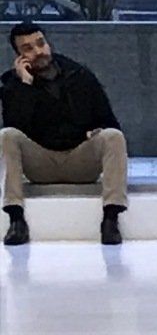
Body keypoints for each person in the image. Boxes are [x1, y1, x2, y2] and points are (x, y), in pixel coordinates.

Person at [2, 22, 129, 246]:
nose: (38, 51)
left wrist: (94, 132)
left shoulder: (79, 75)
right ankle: (16, 219)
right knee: (7, 135)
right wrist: (26, 86)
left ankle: (110, 219)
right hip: (41, 164)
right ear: (19, 56)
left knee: (113, 137)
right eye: (28, 48)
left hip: (80, 160)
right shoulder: (14, 84)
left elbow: (109, 121)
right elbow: (16, 125)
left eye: (40, 43)